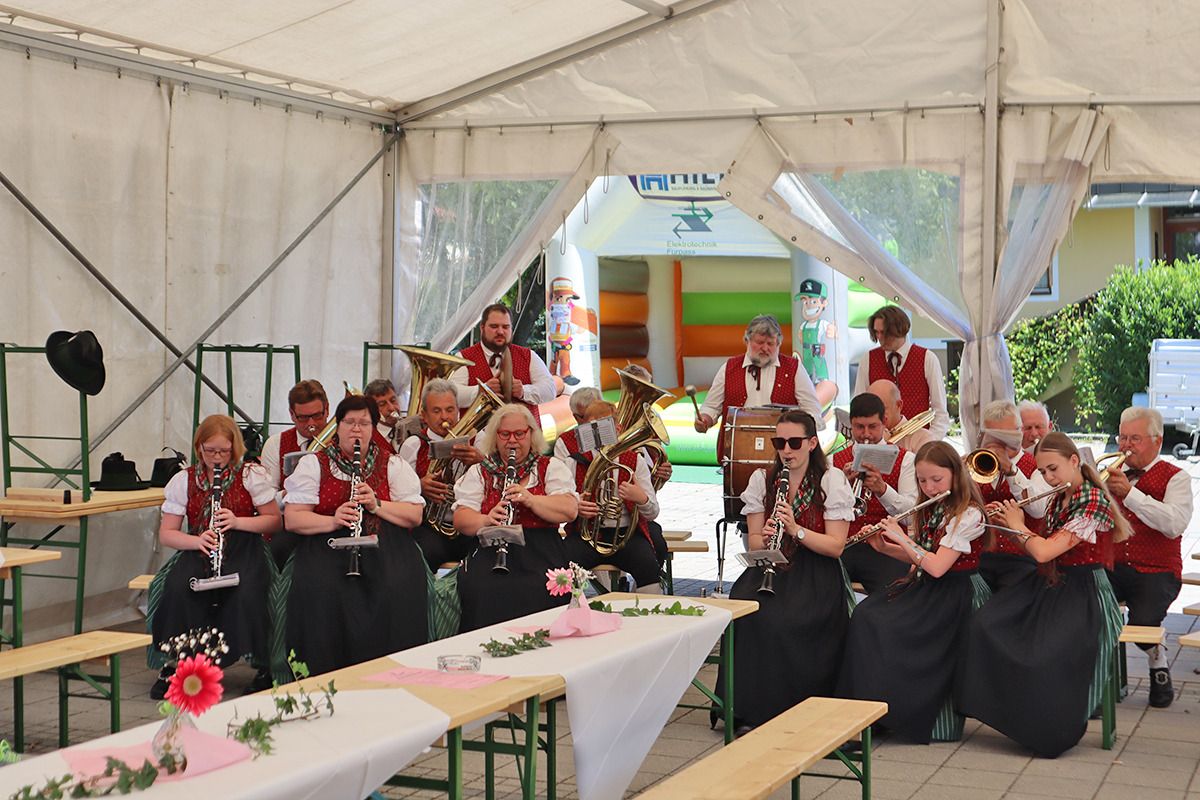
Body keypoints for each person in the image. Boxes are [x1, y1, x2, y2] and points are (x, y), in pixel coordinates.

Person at [959, 432, 1129, 756]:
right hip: (1051, 585)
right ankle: (1008, 715)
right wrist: (1007, 523)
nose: (1049, 478)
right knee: (985, 624)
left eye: (1053, 469)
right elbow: (1036, 549)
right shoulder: (1058, 496)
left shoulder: (1094, 501)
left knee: (1043, 654)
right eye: (1042, 471)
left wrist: (1018, 524)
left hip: (1084, 593)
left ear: (1074, 461)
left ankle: (1049, 731)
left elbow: (1044, 551)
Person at [838, 441, 990, 743]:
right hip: (929, 588)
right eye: (922, 481)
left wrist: (902, 538)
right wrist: (885, 547)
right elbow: (921, 556)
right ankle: (872, 713)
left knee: (885, 625)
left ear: (956, 474)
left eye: (937, 479)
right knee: (867, 614)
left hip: (955, 593)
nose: (929, 488)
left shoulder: (969, 515)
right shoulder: (934, 507)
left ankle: (899, 712)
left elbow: (937, 566)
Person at [717, 410, 854, 733]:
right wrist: (764, 538)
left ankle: (789, 708)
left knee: (784, 620)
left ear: (812, 443)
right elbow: (753, 542)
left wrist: (796, 530)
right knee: (745, 610)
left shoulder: (830, 480)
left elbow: (836, 546)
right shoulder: (763, 480)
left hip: (815, 569)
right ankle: (746, 708)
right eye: (779, 443)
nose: (786, 450)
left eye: (794, 443)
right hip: (772, 563)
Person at [279, 395, 428, 678]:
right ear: (338, 426)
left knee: (396, 586)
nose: (356, 429)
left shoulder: (392, 464)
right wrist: (333, 520)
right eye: (349, 422)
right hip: (327, 542)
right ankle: (324, 673)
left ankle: (391, 671)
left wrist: (376, 505)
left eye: (364, 423)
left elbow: (414, 515)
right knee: (322, 589)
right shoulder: (315, 464)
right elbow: (293, 518)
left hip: (384, 542)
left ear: (373, 428)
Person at [147, 415, 281, 698]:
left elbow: (273, 521)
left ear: (235, 448)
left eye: (224, 451)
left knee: (247, 592)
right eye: (210, 451)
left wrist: (237, 521)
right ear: (199, 447)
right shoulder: (184, 480)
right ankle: (178, 664)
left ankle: (262, 665)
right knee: (178, 588)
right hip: (200, 547)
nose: (217, 458)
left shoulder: (250, 475)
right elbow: (167, 534)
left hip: (245, 546)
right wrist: (197, 541)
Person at [452, 403, 579, 630]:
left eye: (519, 433)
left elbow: (569, 510)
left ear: (531, 434)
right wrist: (485, 520)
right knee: (480, 587)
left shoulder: (550, 467)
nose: (512, 440)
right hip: (490, 546)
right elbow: (461, 519)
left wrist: (531, 500)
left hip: (541, 548)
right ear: (495, 437)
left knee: (539, 586)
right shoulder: (481, 471)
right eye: (505, 434)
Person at [1105, 407, 1193, 708]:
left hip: (1157, 569)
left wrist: (1130, 495)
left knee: (1143, 625)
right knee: (1084, 606)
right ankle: (1097, 680)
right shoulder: (1111, 473)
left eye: (1135, 439)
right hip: (1113, 565)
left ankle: (1158, 662)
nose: (1126, 445)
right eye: (1123, 438)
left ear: (1158, 441)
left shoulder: (1177, 477)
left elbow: (1174, 524)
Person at [562, 401, 664, 593]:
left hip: (627, 537)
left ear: (617, 429)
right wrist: (575, 506)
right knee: (561, 566)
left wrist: (640, 498)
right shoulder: (573, 462)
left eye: (604, 426)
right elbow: (561, 506)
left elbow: (653, 513)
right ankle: (568, 608)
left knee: (649, 566)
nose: (598, 433)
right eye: (592, 428)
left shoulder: (635, 461)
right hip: (586, 535)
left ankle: (646, 608)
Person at [696, 315, 826, 458]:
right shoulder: (729, 368)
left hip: (782, 456)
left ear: (779, 344)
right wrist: (705, 420)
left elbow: (812, 410)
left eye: (770, 343)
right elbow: (711, 407)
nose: (765, 348)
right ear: (747, 340)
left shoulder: (794, 369)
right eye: (759, 342)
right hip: (736, 455)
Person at [832, 393, 917, 594]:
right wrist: (842, 486)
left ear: (884, 422)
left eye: (872, 427)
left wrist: (883, 490)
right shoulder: (833, 461)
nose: (866, 435)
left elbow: (912, 516)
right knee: (823, 589)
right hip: (845, 546)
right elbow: (823, 512)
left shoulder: (906, 459)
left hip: (887, 549)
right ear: (850, 424)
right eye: (859, 427)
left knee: (890, 597)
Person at [398, 378, 485, 569]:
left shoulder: (478, 440)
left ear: (458, 410)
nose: (445, 417)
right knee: (420, 557)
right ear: (424, 415)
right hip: (429, 529)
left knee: (485, 557)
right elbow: (397, 493)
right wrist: (419, 487)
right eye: (436, 411)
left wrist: (482, 462)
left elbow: (498, 482)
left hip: (470, 525)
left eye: (450, 409)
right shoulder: (413, 444)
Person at [975, 400, 1053, 592]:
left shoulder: (1037, 465)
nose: (1000, 442)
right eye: (994, 436)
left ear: (1019, 433)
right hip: (979, 556)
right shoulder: (975, 462)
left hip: (1022, 559)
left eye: (1006, 436)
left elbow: (1038, 510)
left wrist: (1011, 470)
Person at [853, 306, 950, 439]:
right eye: (876, 332)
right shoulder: (868, 359)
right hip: (879, 443)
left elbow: (940, 412)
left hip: (918, 442)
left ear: (899, 330)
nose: (879, 337)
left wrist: (928, 442)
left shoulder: (927, 358)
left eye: (884, 333)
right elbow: (859, 407)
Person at [451, 303, 556, 425]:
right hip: (479, 436)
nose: (500, 331)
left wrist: (523, 391)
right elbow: (451, 396)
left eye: (505, 327)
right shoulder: (464, 357)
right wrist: (480, 391)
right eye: (494, 326)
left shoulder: (528, 356)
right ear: (482, 328)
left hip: (525, 434)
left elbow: (550, 390)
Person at [258, 380, 329, 492]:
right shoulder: (275, 444)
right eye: (303, 417)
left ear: (327, 410)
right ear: (292, 414)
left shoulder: (343, 442)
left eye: (317, 415)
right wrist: (290, 493)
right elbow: (267, 495)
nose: (311, 423)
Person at [868, 379, 935, 452]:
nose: (874, 416)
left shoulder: (923, 438)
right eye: (870, 410)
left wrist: (884, 444)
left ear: (899, 405)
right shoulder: (864, 436)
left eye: (882, 409)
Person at [552, 386, 604, 462]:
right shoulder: (564, 443)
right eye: (587, 416)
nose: (594, 420)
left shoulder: (617, 431)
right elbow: (561, 469)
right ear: (576, 418)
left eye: (598, 412)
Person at [364, 378, 405, 451]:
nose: (391, 408)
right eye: (382, 404)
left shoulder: (408, 429)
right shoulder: (368, 439)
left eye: (393, 400)